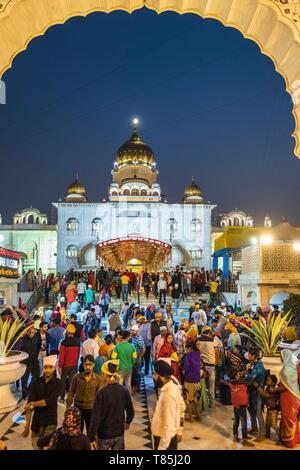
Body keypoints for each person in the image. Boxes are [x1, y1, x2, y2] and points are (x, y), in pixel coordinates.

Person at [89, 360, 135, 450]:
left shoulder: (101, 393)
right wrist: (128, 422)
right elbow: (131, 412)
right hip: (119, 433)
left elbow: (96, 418)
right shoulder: (124, 390)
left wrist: (91, 437)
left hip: (104, 435)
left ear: (105, 374)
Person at [22, 355, 61, 450]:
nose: (47, 370)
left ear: (54, 367)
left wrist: (34, 404)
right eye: (45, 367)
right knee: (36, 447)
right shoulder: (35, 382)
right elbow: (29, 405)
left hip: (50, 422)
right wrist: (27, 425)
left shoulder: (58, 383)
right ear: (43, 367)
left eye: (50, 367)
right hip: (36, 422)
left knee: (47, 448)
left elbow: (50, 401)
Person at [151, 360, 185, 450]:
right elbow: (182, 408)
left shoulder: (169, 395)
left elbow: (168, 426)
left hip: (165, 440)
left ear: (161, 377)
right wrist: (180, 430)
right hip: (168, 438)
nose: (153, 377)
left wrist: (161, 448)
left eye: (154, 374)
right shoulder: (173, 385)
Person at [67, 355, 102, 433]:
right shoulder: (76, 377)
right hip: (78, 408)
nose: (88, 366)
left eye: (90, 364)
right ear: (83, 365)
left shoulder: (98, 379)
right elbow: (71, 392)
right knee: (77, 432)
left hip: (91, 409)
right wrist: (68, 408)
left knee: (91, 432)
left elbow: (100, 397)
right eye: (86, 364)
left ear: (93, 365)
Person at [221, 371, 254, 447]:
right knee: (243, 422)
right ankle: (245, 439)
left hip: (235, 405)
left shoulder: (231, 383)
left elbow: (225, 381)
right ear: (236, 376)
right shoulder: (242, 383)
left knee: (236, 420)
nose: (240, 375)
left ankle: (235, 436)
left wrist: (223, 380)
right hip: (242, 405)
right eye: (239, 374)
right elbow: (250, 381)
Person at [277, 349, 300, 448]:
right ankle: (296, 438)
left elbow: (284, 386)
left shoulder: (286, 369)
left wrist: (275, 389)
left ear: (285, 356)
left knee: (287, 417)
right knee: (293, 417)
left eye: (281, 356)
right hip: (295, 395)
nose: (280, 358)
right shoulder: (294, 367)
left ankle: (289, 442)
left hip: (287, 396)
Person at [196, 326, 221, 408]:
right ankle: (212, 403)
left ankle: (201, 403)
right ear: (209, 333)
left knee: (202, 384)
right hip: (211, 366)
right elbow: (220, 344)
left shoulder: (198, 340)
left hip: (202, 366)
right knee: (211, 385)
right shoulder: (212, 340)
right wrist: (215, 336)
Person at [246, 348, 266, 442]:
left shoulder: (258, 366)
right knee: (251, 409)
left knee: (258, 412)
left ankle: (262, 433)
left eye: (250, 354)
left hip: (258, 392)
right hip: (252, 391)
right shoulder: (254, 364)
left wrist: (246, 371)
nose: (248, 356)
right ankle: (254, 428)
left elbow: (250, 377)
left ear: (254, 356)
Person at [58, 324, 80, 401]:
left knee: (63, 381)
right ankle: (70, 397)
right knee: (71, 382)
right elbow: (78, 355)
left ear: (67, 332)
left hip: (65, 365)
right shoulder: (78, 342)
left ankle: (62, 397)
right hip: (74, 365)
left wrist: (60, 366)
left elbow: (61, 356)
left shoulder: (64, 342)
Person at [255, 374, 280, 442]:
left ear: (273, 383)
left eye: (268, 380)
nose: (266, 381)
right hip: (269, 410)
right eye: (266, 379)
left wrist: (257, 386)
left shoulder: (272, 389)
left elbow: (264, 394)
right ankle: (267, 435)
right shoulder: (268, 387)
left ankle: (281, 438)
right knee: (268, 425)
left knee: (274, 425)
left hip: (273, 410)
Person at [182, 343, 202, 423]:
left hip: (189, 380)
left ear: (190, 349)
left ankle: (190, 418)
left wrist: (182, 366)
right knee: (196, 400)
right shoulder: (198, 354)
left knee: (189, 401)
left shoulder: (188, 356)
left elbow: (186, 368)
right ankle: (198, 417)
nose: (185, 350)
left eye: (186, 349)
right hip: (197, 380)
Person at [20, 325, 40, 399]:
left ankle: (29, 391)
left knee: (36, 377)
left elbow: (37, 347)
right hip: (26, 362)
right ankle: (25, 395)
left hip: (34, 360)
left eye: (33, 332)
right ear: (27, 332)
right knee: (24, 379)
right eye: (30, 333)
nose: (32, 334)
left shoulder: (36, 338)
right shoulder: (22, 339)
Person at [130, 324, 145, 394]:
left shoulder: (139, 338)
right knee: (134, 374)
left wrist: (139, 357)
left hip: (137, 359)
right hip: (133, 359)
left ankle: (138, 388)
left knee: (137, 374)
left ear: (137, 331)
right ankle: (134, 387)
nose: (132, 332)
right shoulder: (132, 338)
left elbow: (144, 349)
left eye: (134, 331)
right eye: (132, 330)